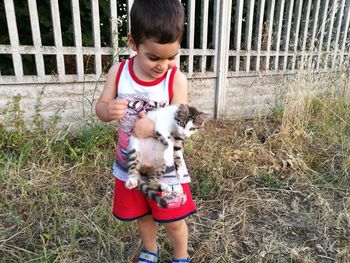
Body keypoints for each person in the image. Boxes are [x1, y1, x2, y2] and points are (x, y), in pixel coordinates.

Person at [95, 0, 196, 262]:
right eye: (153, 57)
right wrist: (108, 111)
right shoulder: (119, 72)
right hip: (130, 165)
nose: (163, 65)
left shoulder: (176, 80)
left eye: (171, 56)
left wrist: (152, 127)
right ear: (132, 42)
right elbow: (101, 106)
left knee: (173, 219)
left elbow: (182, 125)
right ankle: (150, 250)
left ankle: (181, 256)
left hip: (166, 169)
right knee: (144, 214)